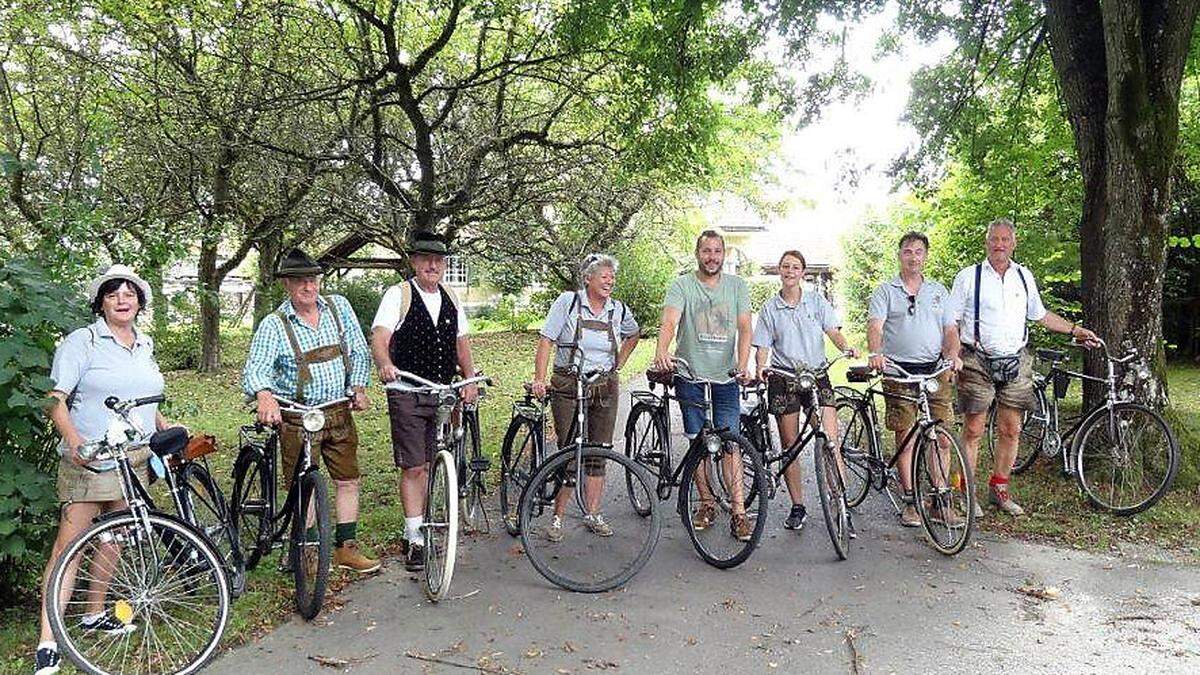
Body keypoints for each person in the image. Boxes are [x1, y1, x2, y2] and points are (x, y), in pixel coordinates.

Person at [35, 265, 183, 675]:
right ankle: (48, 640)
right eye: (113, 292)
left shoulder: (143, 343)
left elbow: (140, 397)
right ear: (100, 301)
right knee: (71, 547)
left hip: (133, 457)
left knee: (116, 537)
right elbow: (54, 399)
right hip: (92, 460)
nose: (122, 299)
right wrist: (75, 443)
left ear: (140, 301)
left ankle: (94, 612)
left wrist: (161, 423)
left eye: (130, 293)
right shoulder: (81, 342)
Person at [945, 218, 1099, 516]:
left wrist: (1075, 330)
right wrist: (953, 355)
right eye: (994, 239)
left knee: (1012, 429)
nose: (999, 244)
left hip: (1015, 359)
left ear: (1013, 243)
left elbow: (1040, 316)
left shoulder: (1024, 276)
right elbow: (950, 322)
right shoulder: (968, 277)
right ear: (986, 242)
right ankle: (964, 492)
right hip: (976, 359)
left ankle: (999, 489)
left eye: (1005, 239)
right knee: (974, 429)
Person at [242, 249, 378, 574]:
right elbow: (256, 367)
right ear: (287, 285)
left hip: (338, 411)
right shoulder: (274, 324)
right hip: (297, 417)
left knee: (348, 478)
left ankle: (347, 547)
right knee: (303, 484)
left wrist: (358, 387)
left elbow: (359, 351)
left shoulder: (338, 307)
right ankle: (311, 551)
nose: (308, 287)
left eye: (313, 279)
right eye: (300, 281)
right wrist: (264, 396)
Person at [370, 231, 479, 571]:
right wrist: (385, 364)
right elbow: (379, 337)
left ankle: (426, 524)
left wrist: (469, 378)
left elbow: (461, 343)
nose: (433, 265)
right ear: (414, 262)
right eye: (426, 259)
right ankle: (414, 537)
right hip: (407, 391)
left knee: (433, 462)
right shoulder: (398, 295)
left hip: (442, 392)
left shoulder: (450, 298)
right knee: (414, 465)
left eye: (439, 260)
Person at [653, 229, 755, 541]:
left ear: (724, 255)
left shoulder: (737, 286)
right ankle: (707, 502)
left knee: (729, 444)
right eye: (706, 251)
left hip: (725, 377)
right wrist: (661, 350)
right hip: (691, 374)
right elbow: (670, 321)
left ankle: (738, 512)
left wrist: (742, 362)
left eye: (717, 251)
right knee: (698, 441)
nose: (712, 257)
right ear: (698, 254)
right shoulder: (683, 285)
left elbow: (745, 327)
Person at [531, 253, 641, 541]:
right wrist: (540, 379)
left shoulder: (618, 310)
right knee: (570, 450)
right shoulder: (567, 303)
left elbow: (634, 334)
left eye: (612, 277)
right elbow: (546, 340)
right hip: (568, 382)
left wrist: (619, 364)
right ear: (588, 278)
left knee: (599, 451)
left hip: (604, 384)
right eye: (604, 276)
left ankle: (592, 513)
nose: (610, 281)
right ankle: (557, 518)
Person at [752, 250, 858, 532]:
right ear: (779, 270)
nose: (790, 271)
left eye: (795, 267)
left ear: (803, 272)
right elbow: (762, 347)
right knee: (790, 445)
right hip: (784, 378)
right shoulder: (769, 309)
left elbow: (832, 330)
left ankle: (841, 502)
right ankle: (797, 505)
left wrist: (845, 347)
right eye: (785, 266)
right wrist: (761, 367)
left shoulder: (816, 301)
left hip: (816, 375)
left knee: (830, 439)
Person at [867, 232, 961, 527]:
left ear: (926, 256)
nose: (913, 257)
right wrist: (875, 352)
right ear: (900, 255)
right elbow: (875, 326)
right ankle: (909, 500)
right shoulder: (885, 291)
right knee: (905, 435)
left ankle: (941, 501)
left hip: (933, 370)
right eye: (908, 251)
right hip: (899, 371)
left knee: (941, 437)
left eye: (919, 252)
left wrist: (953, 355)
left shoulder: (938, 291)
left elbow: (950, 330)